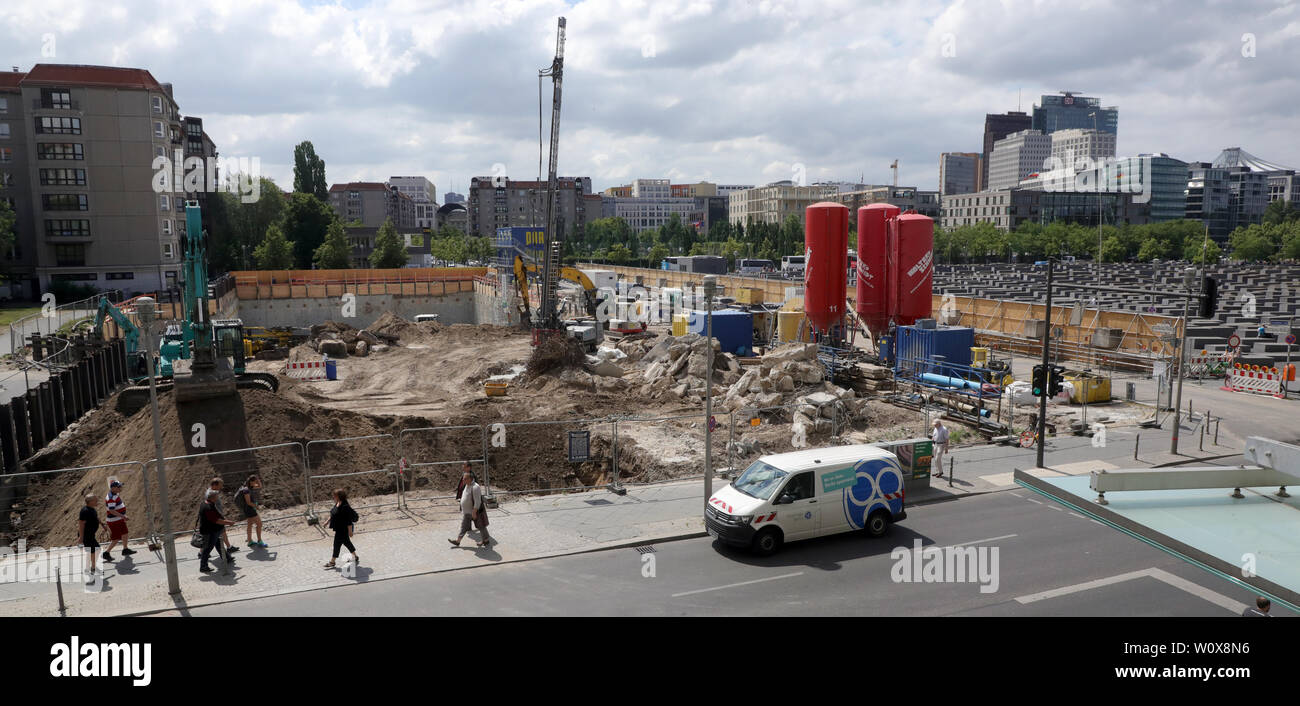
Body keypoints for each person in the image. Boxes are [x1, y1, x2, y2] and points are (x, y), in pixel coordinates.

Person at [448, 470, 491, 548]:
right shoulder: (467, 485)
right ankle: (458, 541)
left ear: (470, 479)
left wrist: (474, 512)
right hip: (467, 512)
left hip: (474, 512)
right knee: (464, 526)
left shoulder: (475, 487)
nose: (463, 480)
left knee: (481, 526)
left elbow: (478, 501)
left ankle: (486, 540)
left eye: (465, 479)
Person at [197, 489, 236, 574]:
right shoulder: (208, 507)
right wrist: (228, 522)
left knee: (218, 544)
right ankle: (203, 566)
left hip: (213, 530)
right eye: (217, 496)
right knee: (207, 549)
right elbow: (216, 520)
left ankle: (227, 558)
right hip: (210, 531)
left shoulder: (206, 503)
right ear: (213, 497)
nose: (218, 498)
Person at [102, 478, 136, 562]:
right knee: (116, 538)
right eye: (119, 487)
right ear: (113, 488)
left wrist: (122, 516)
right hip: (114, 521)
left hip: (117, 520)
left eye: (120, 486)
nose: (120, 488)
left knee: (125, 533)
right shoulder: (111, 497)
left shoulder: (114, 494)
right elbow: (111, 510)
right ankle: (106, 553)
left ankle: (125, 549)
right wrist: (123, 516)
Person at [324, 488, 359, 569]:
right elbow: (333, 514)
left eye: (334, 495)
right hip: (339, 528)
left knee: (336, 545)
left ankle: (332, 562)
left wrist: (350, 532)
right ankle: (355, 557)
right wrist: (327, 521)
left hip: (343, 529)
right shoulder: (337, 503)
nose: (333, 497)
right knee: (347, 543)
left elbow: (348, 521)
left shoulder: (345, 506)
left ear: (338, 496)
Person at [207, 477, 240, 557]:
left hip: (217, 516)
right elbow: (210, 507)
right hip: (215, 518)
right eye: (220, 485)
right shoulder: (211, 493)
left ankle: (229, 547)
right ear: (215, 485)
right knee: (212, 537)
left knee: (222, 532)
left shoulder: (212, 492)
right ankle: (203, 553)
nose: (221, 487)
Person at [236, 475, 266, 548]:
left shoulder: (249, 487)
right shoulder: (246, 490)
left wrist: (258, 479)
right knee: (259, 524)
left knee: (249, 524)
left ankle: (250, 541)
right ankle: (260, 541)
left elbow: (260, 486)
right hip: (250, 509)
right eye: (255, 481)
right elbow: (248, 502)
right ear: (251, 482)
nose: (256, 483)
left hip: (248, 509)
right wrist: (256, 507)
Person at [78, 494, 102, 584]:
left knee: (94, 551)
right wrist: (81, 537)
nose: (97, 501)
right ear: (91, 502)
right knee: (95, 550)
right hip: (86, 535)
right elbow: (81, 524)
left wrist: (102, 524)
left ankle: (92, 568)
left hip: (91, 535)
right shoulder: (85, 511)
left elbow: (96, 518)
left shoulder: (92, 509)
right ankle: (91, 571)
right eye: (96, 500)